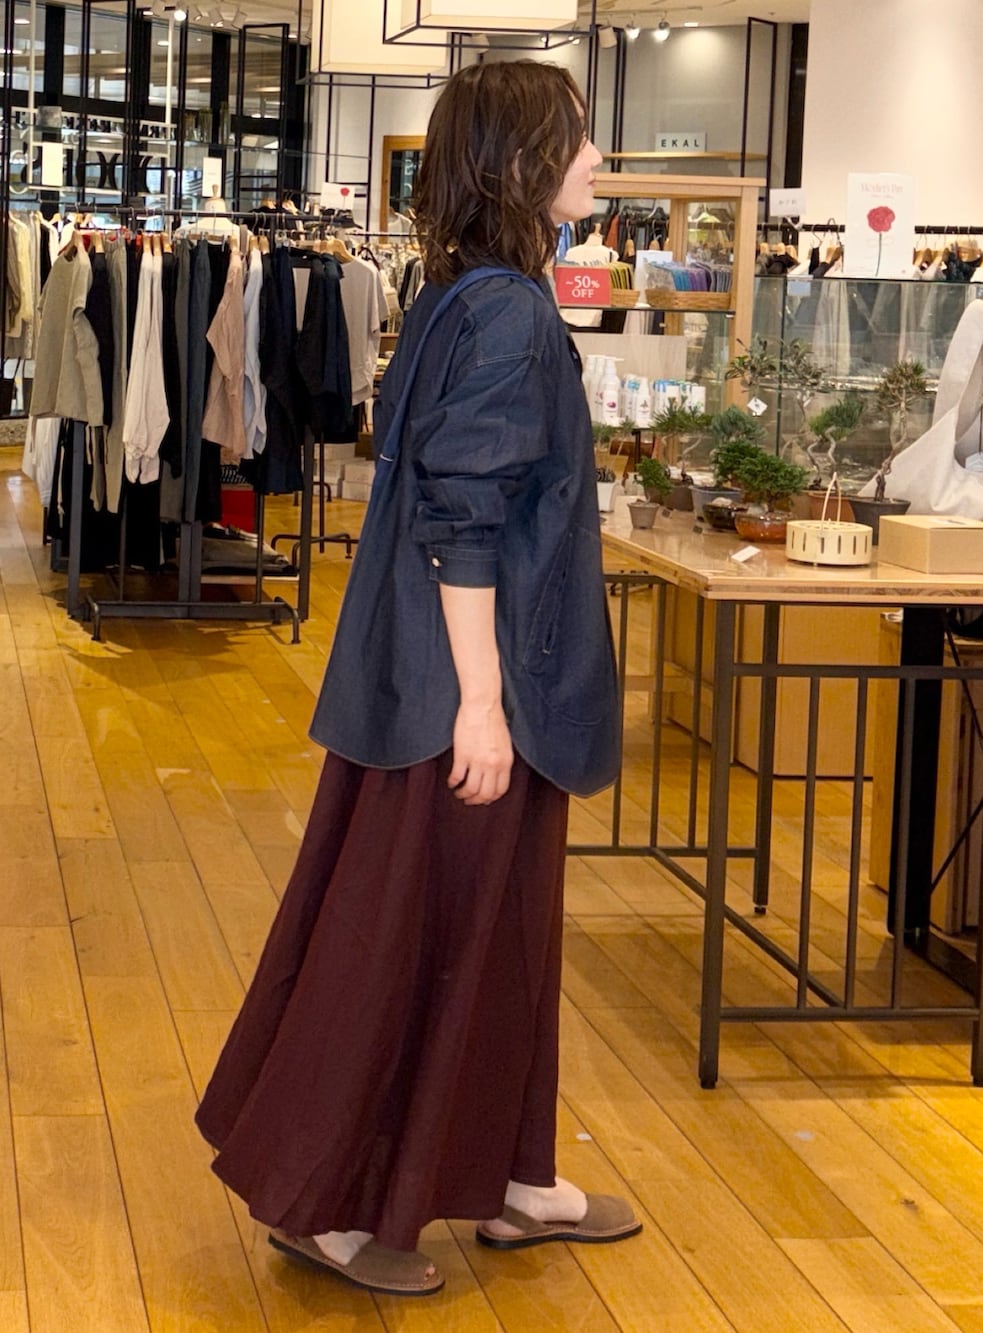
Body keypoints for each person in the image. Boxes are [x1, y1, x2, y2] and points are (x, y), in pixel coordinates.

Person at [194, 59, 640, 1299]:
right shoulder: (508, 314)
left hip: (447, 681)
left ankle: (511, 1175)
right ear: (520, 161)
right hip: (469, 694)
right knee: (402, 939)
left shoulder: (467, 294)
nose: (597, 161)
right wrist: (482, 704)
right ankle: (320, 1201)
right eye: (578, 140)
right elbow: (463, 517)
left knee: (494, 939)